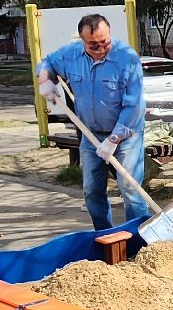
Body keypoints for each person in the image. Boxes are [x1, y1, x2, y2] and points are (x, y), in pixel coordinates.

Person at [37, 14, 149, 230]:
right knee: (92, 191)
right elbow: (47, 62)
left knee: (131, 189)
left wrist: (113, 140)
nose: (100, 48)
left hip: (126, 136)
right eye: (93, 45)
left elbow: (134, 106)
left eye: (104, 42)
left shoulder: (127, 59)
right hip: (90, 134)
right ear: (82, 40)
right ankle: (106, 236)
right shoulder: (70, 55)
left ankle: (139, 239)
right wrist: (45, 79)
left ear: (109, 35)